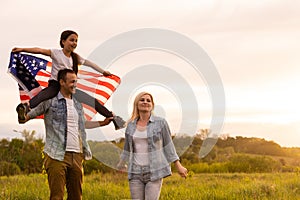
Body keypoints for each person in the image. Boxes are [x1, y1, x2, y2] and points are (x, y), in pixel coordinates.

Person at [20, 69, 112, 200]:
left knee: (76, 197)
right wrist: (22, 114)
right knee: (57, 197)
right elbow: (26, 117)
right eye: (72, 81)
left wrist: (102, 123)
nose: (75, 84)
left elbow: (82, 124)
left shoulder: (77, 104)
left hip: (77, 155)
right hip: (56, 155)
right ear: (62, 82)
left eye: (76, 81)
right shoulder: (49, 101)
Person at [13, 30, 125, 130]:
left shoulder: (75, 57)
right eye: (71, 40)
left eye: (76, 41)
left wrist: (103, 72)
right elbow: (40, 50)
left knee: (92, 101)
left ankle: (113, 118)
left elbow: (89, 63)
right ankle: (25, 107)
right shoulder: (57, 53)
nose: (74, 43)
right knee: (43, 95)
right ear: (63, 41)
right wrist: (23, 49)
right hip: (56, 84)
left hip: (69, 88)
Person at [117, 92, 188, 200]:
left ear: (152, 105)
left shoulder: (161, 123)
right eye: (142, 100)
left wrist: (178, 165)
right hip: (135, 172)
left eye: (148, 100)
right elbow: (127, 148)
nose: (145, 102)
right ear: (137, 104)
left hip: (154, 171)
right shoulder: (130, 126)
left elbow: (168, 145)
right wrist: (121, 163)